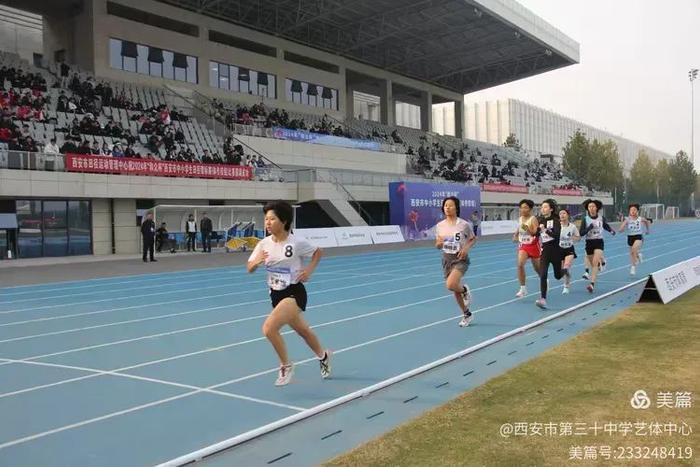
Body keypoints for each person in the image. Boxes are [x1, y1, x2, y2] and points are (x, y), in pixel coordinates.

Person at [247, 200, 331, 386]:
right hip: (275, 294)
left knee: (269, 328)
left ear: (284, 221)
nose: (267, 223)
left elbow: (318, 252)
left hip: (294, 292)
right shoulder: (263, 244)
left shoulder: (296, 242)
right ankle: (323, 355)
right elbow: (249, 268)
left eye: (272, 219)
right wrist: (257, 262)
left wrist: (308, 270)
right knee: (304, 332)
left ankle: (286, 365)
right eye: (266, 219)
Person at [435, 196, 477, 327]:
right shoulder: (440, 226)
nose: (447, 207)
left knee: (451, 284)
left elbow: (472, 239)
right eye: (445, 205)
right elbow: (437, 244)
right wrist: (439, 244)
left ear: (456, 208)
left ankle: (464, 289)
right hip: (447, 259)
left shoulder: (463, 224)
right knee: (454, 289)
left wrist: (465, 249)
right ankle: (467, 314)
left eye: (450, 205)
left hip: (460, 259)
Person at [579, 199, 616, 293]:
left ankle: (592, 284)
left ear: (597, 208)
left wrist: (611, 231)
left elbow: (605, 225)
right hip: (589, 243)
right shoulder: (585, 219)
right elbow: (581, 233)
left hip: (599, 241)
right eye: (589, 207)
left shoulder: (601, 218)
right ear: (587, 209)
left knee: (595, 263)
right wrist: (588, 228)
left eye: (593, 206)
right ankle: (601, 262)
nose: (591, 208)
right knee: (593, 264)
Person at [535, 199, 564, 309]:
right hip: (545, 250)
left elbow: (557, 236)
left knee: (558, 276)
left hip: (555, 250)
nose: (543, 209)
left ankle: (565, 270)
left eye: (545, 207)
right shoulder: (540, 220)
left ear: (551, 209)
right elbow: (537, 234)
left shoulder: (556, 221)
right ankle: (543, 299)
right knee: (543, 274)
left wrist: (545, 230)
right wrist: (531, 231)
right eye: (542, 207)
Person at [513, 199, 540, 298]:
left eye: (525, 207)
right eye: (521, 207)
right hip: (523, 245)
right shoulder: (520, 218)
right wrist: (515, 235)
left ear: (530, 209)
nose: (523, 209)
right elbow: (519, 227)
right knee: (520, 264)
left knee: (537, 268)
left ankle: (544, 279)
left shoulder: (533, 219)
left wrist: (527, 228)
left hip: (533, 245)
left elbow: (535, 233)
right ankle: (523, 289)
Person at [618, 203, 651, 275]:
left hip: (638, 236)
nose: (632, 211)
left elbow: (646, 222)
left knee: (634, 249)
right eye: (631, 210)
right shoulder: (627, 220)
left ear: (637, 211)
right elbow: (621, 227)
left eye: (634, 210)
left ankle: (635, 262)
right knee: (632, 253)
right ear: (629, 211)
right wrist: (621, 230)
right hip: (630, 237)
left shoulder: (640, 219)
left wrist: (648, 230)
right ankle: (636, 259)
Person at [558, 208, 580, 294]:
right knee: (561, 270)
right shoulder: (557, 226)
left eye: (564, 213)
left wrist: (572, 238)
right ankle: (567, 274)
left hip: (569, 249)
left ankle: (566, 287)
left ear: (567, 215)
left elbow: (578, 238)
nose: (562, 215)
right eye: (560, 214)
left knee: (566, 266)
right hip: (559, 249)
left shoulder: (572, 226)